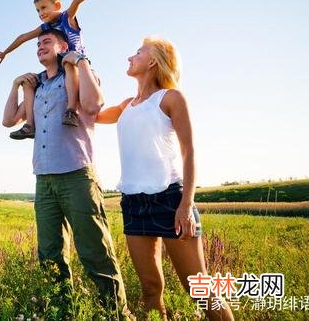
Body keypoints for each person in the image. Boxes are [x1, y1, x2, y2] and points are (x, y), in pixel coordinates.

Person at [96, 37, 233, 320]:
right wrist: (79, 67)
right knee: (150, 289)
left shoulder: (170, 98)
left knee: (199, 289)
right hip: (133, 203)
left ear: (153, 61)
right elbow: (91, 114)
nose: (129, 57)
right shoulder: (125, 106)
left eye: (137, 52)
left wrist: (186, 205)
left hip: (170, 200)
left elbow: (189, 151)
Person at [2, 28, 132, 319]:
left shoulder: (75, 75)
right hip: (44, 178)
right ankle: (62, 311)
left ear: (63, 46)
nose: (39, 46)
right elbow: (9, 119)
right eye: (37, 44)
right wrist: (15, 85)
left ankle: (117, 314)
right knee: (50, 255)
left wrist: (81, 61)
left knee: (94, 251)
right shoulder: (37, 87)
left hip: (77, 175)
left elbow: (94, 105)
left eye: (46, 41)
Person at [0, 0, 113, 140]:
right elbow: (23, 37)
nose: (41, 13)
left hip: (75, 62)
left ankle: (70, 110)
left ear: (57, 5)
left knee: (67, 63)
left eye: (43, 8)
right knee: (29, 83)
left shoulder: (67, 17)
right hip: (58, 66)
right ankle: (30, 125)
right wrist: (6, 52)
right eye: (37, 10)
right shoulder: (45, 27)